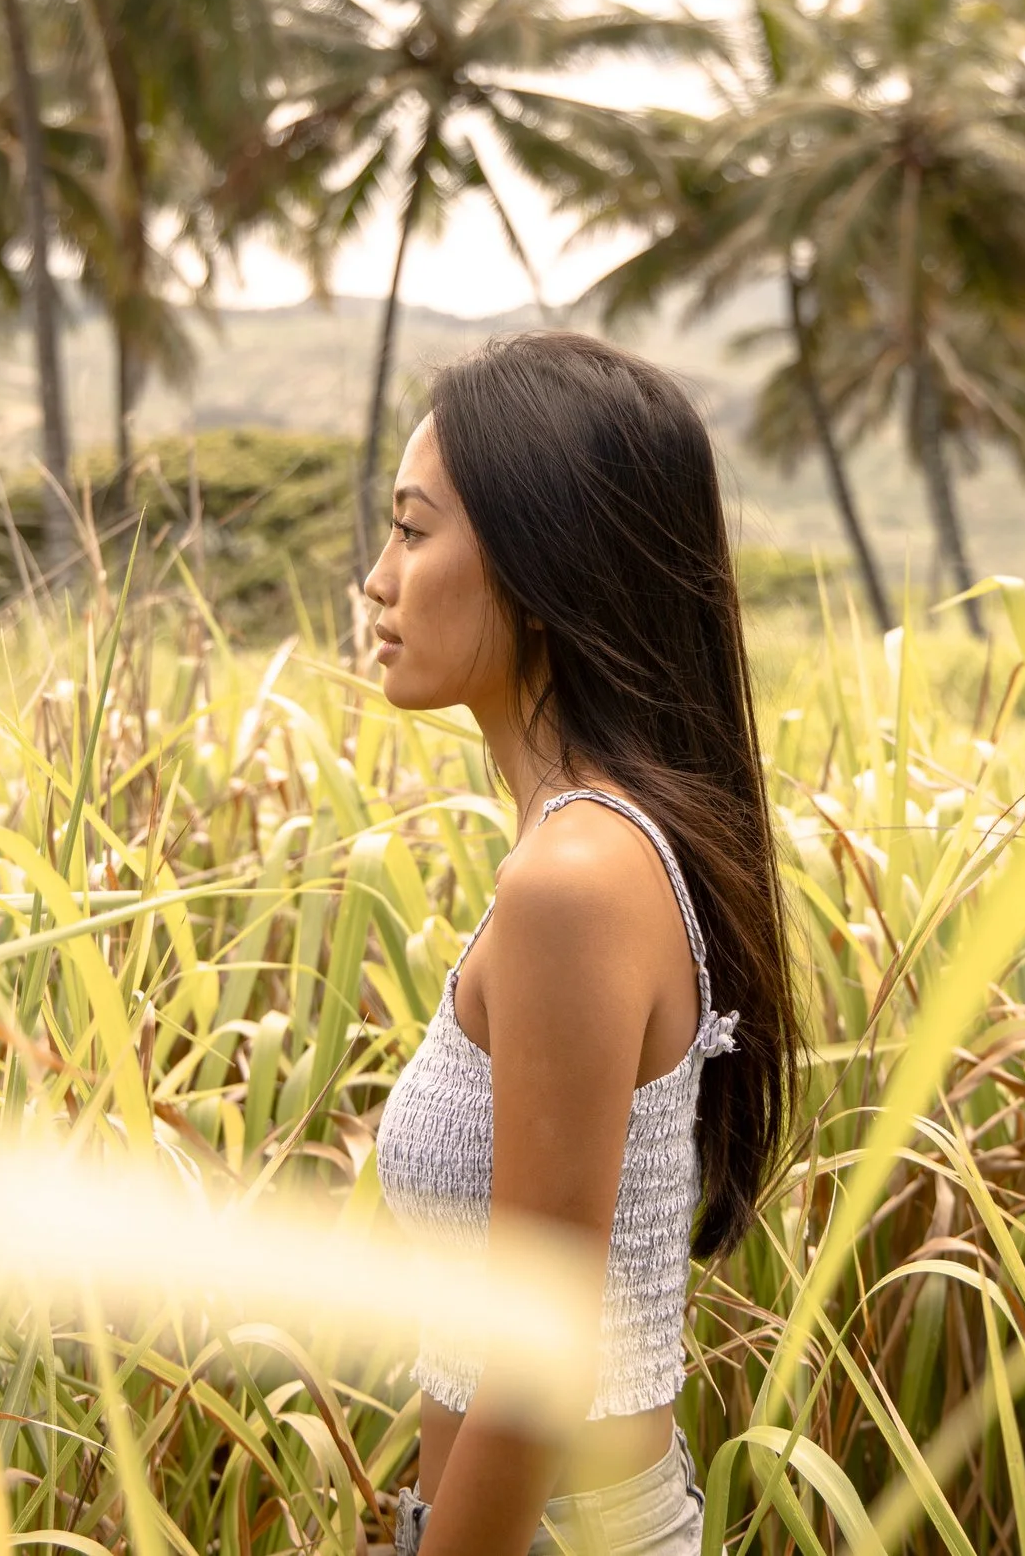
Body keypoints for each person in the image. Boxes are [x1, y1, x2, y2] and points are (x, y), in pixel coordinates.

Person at [366, 331, 800, 1555]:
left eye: (410, 529)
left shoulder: (575, 878)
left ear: (538, 563)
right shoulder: (608, 847)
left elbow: (537, 1351)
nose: (377, 579)